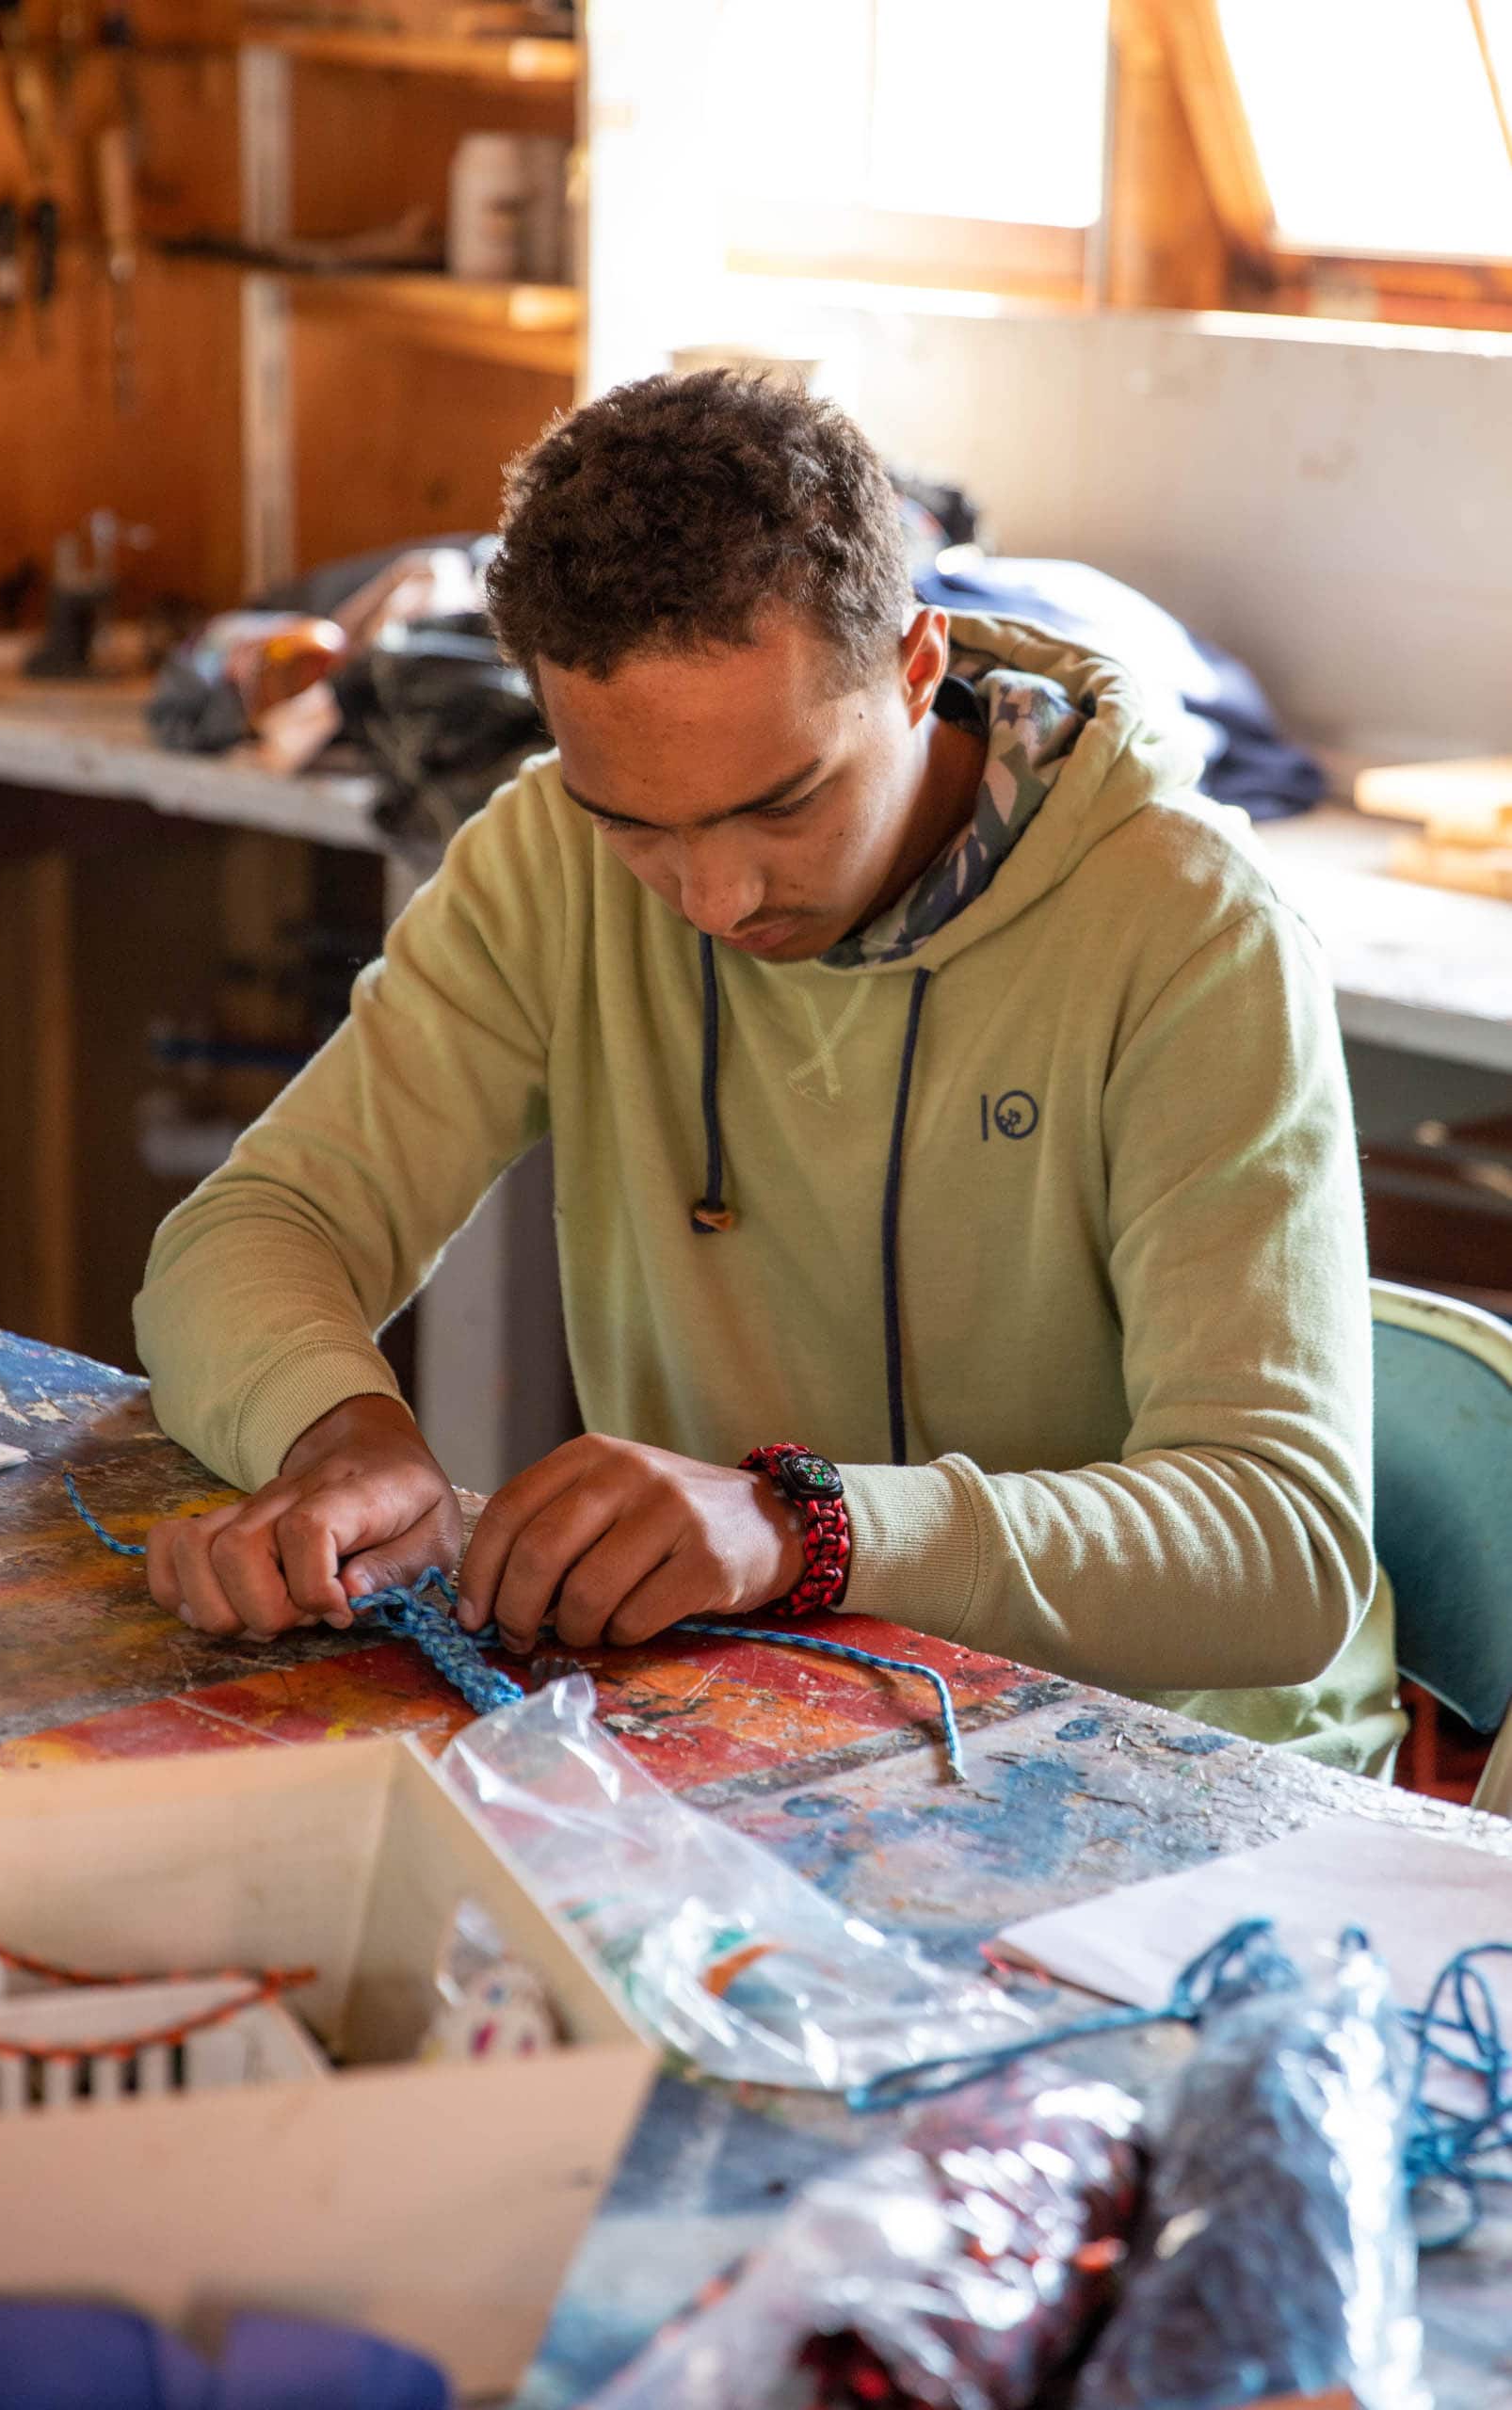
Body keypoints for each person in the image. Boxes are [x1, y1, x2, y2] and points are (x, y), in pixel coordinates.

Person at [135, 370, 1401, 1775]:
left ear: (917, 668)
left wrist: (806, 1528)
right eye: (634, 823)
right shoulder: (543, 858)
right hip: (768, 1722)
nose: (717, 897)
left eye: (785, 803)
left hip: (1179, 1773)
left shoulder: (1187, 925)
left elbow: (1277, 1553)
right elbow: (250, 1234)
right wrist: (340, 1436)